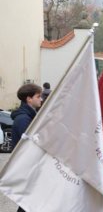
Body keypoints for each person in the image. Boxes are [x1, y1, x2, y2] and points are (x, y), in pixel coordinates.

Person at [11, 83, 42, 212]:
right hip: (27, 168)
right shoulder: (24, 119)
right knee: (29, 203)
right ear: (29, 99)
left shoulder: (29, 117)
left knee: (31, 203)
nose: (41, 99)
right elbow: (28, 146)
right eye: (38, 96)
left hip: (29, 166)